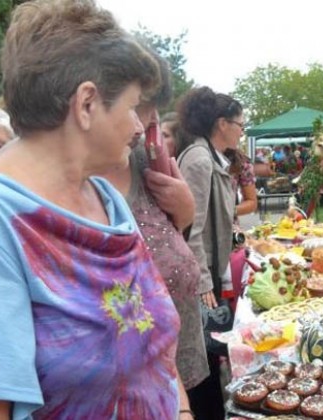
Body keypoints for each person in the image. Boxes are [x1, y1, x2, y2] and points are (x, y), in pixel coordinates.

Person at [0, 1, 188, 418]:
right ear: (86, 104)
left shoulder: (105, 197)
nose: (138, 126)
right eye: (132, 105)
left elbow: (156, 346)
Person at [102, 54, 209, 398]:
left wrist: (187, 211)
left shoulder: (145, 160)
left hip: (187, 353)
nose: (145, 123)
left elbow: (176, 234)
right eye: (138, 105)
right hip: (140, 383)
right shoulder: (79, 183)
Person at [176, 86, 241, 420]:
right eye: (239, 124)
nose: (242, 131)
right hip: (199, 276)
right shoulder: (199, 160)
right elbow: (192, 228)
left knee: (212, 350)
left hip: (211, 270)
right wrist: (202, 283)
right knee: (202, 354)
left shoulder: (213, 158)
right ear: (221, 123)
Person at [225, 147, 258, 219]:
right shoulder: (200, 154)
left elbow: (251, 202)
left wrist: (228, 211)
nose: (241, 135)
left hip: (229, 224)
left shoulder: (241, 162)